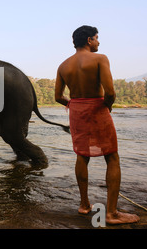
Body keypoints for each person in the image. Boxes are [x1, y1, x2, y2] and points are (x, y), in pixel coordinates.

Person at [55, 25, 139, 225]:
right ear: (89, 40)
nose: (99, 42)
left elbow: (58, 97)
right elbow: (110, 92)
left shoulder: (63, 65)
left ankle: (84, 205)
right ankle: (111, 213)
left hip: (77, 112)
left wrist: (73, 105)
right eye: (97, 38)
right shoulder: (100, 59)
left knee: (82, 156)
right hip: (97, 108)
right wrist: (107, 107)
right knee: (112, 157)